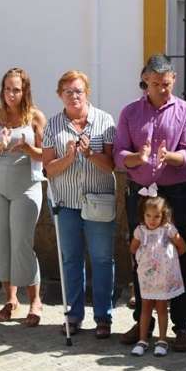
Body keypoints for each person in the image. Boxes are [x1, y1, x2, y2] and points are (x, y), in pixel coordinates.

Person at [114, 54, 186, 352]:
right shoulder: (129, 112)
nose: (162, 89)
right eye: (156, 84)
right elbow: (119, 154)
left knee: (177, 257)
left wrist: (169, 157)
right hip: (140, 193)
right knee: (142, 258)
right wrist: (137, 157)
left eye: (167, 83)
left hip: (174, 194)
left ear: (173, 79)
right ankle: (143, 324)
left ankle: (182, 326)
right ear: (145, 81)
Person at [43, 70, 117, 338]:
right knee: (71, 260)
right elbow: (48, 169)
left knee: (102, 259)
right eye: (68, 92)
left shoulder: (105, 121)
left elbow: (111, 165)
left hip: (99, 201)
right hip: (66, 203)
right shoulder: (52, 125)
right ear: (59, 95)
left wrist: (90, 154)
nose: (74, 96)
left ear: (87, 93)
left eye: (78, 91)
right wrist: (70, 157)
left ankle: (103, 317)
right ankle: (73, 316)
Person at [0, 68, 46, 326]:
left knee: (21, 243)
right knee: (1, 242)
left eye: (16, 89)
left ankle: (35, 301)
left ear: (25, 90)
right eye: (7, 89)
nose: (11, 94)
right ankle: (10, 300)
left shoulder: (35, 116)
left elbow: (46, 155)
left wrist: (28, 148)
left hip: (26, 186)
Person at [129, 195, 186, 357]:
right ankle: (142, 340)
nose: (152, 220)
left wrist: (169, 261)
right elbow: (133, 248)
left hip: (163, 278)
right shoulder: (140, 231)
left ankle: (162, 340)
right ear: (143, 215)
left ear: (164, 215)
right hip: (147, 277)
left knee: (161, 307)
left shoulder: (168, 230)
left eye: (156, 216)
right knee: (145, 306)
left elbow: (182, 246)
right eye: (148, 216)